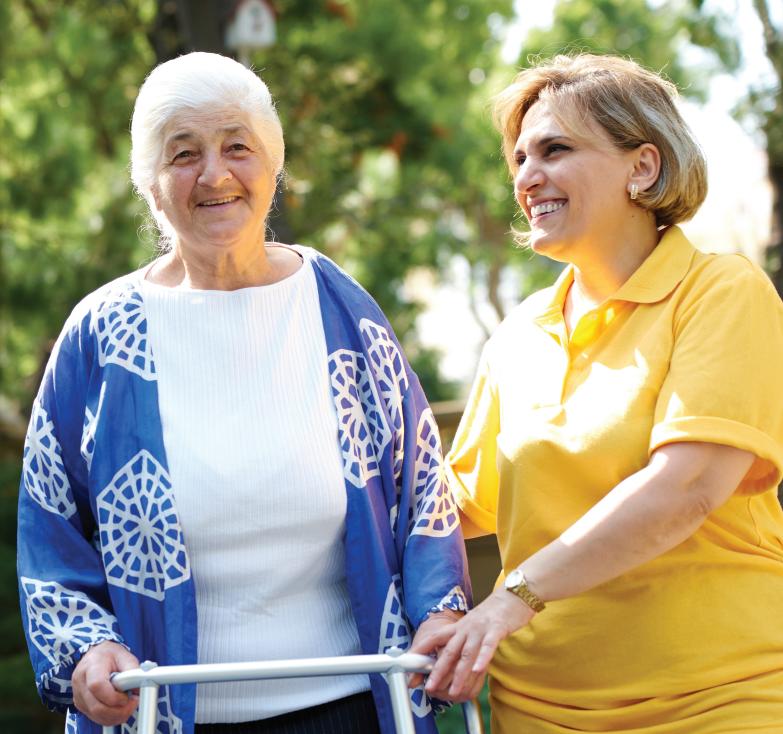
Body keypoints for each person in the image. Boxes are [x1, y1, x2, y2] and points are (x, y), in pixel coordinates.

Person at [17, 52, 470, 734]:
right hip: (159, 710)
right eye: (183, 154)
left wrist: (441, 610)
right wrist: (85, 647)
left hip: (352, 704)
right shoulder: (101, 334)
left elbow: (421, 485)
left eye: (237, 147)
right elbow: (50, 524)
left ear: (273, 164)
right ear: (149, 182)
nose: (214, 174)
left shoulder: (339, 307)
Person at [413, 54, 783, 733]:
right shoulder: (517, 336)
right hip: (539, 710)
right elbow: (452, 507)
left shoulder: (721, 292)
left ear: (642, 167)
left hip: (719, 699)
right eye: (519, 158)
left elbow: (686, 488)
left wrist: (512, 598)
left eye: (554, 150)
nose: (526, 176)